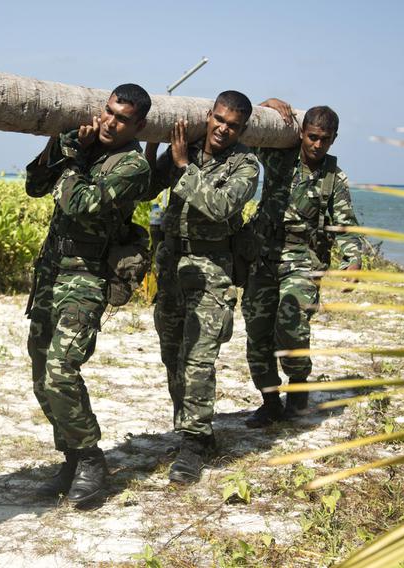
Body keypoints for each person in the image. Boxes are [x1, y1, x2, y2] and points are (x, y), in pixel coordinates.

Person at [25, 84, 152, 506]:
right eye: (108, 112)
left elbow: (79, 202)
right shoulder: (83, 145)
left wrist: (76, 160)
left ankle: (93, 459)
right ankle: (72, 457)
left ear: (138, 126)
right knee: (41, 373)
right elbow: (34, 184)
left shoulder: (132, 166)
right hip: (50, 272)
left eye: (122, 119)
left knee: (62, 369)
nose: (110, 123)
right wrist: (60, 148)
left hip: (86, 277)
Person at [145, 91, 259, 483]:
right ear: (209, 115)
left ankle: (193, 444)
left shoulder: (246, 165)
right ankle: (195, 430)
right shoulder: (186, 147)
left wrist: (182, 165)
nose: (223, 129)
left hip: (211, 266)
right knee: (171, 352)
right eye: (219, 120)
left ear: (242, 129)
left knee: (198, 357)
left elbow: (219, 206)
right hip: (172, 262)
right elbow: (146, 187)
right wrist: (153, 149)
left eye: (233, 125)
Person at [242, 100, 362, 428]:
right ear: (302, 133)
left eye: (324, 139)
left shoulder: (333, 178)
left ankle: (298, 392)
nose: (317, 144)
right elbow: (248, 134)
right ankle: (269, 402)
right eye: (311, 137)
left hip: (302, 261)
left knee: (291, 322)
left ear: (334, 139)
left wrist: (353, 260)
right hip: (264, 257)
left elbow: (344, 223)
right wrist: (266, 104)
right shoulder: (281, 158)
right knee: (257, 330)